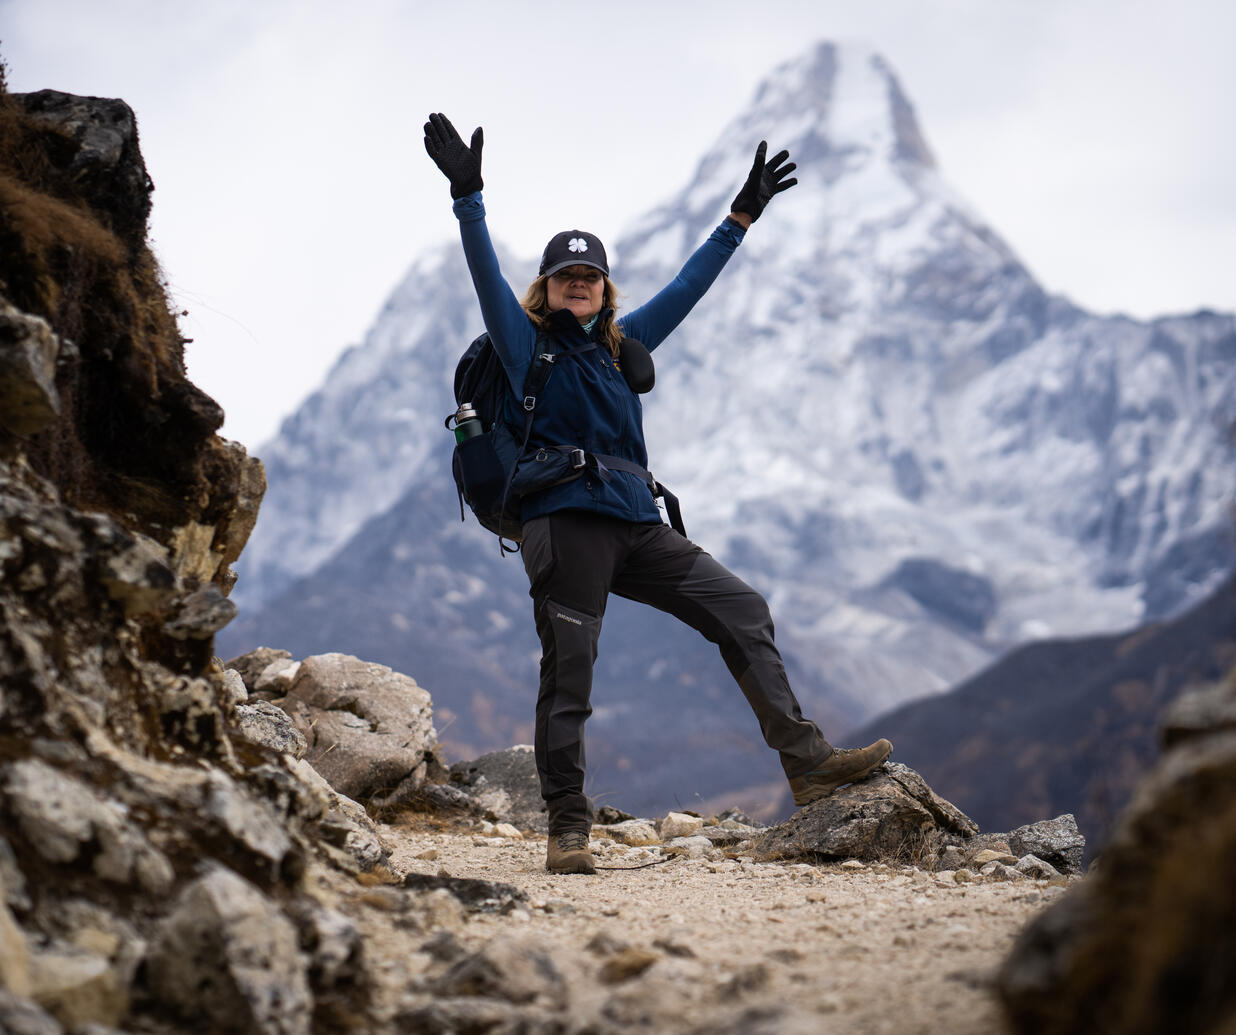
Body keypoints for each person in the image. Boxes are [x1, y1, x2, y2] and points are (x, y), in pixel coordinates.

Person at [424, 112, 892, 875]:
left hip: (638, 524)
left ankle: (806, 765)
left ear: (605, 288)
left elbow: (689, 287)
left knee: (741, 608)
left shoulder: (620, 347)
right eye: (566, 277)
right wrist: (469, 198)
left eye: (591, 276)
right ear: (545, 288)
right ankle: (568, 830)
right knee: (569, 675)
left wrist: (738, 220)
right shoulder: (525, 348)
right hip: (564, 524)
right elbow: (483, 278)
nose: (579, 285)